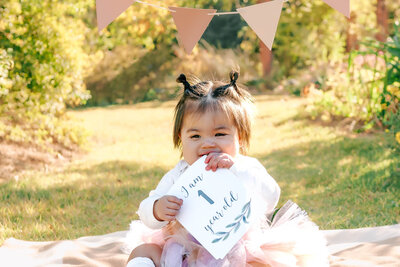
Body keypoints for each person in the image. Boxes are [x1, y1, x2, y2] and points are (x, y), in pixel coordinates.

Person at [125, 71, 329, 267]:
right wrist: (157, 209)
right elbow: (146, 209)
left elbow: (271, 197)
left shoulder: (244, 166)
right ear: (181, 139)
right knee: (143, 251)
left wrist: (237, 169)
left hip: (239, 254)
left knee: (264, 262)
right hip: (183, 254)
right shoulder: (179, 175)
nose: (207, 144)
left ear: (239, 137)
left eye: (220, 134)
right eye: (195, 136)